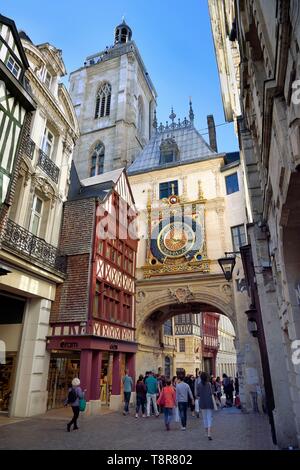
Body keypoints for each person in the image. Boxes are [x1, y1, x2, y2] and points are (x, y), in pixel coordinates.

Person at [196, 372, 214, 440]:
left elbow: (197, 394)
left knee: (205, 418)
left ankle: (206, 432)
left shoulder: (199, 385)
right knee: (209, 417)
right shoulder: (209, 384)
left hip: (202, 403)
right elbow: (212, 392)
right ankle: (209, 433)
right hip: (209, 402)